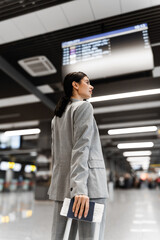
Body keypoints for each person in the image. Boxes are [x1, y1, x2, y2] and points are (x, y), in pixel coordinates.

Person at [48, 72, 109, 240]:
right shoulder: (84, 107)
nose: (91, 86)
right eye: (87, 82)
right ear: (75, 85)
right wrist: (80, 189)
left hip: (63, 186)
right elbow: (81, 148)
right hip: (88, 186)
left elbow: (58, 154)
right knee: (91, 237)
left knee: (61, 236)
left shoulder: (57, 117)